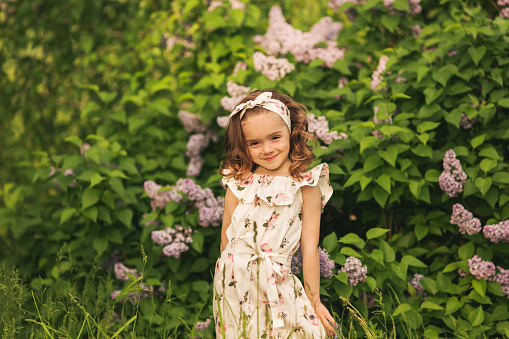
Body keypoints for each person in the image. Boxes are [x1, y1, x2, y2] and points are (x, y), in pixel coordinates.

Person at [213, 90, 338, 338]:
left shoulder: (305, 184)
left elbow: (309, 248)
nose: (267, 149)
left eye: (275, 137)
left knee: (292, 331)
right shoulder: (238, 182)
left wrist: (316, 302)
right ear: (243, 145)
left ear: (291, 133)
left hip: (276, 278)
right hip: (233, 280)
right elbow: (225, 241)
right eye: (254, 143)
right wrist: (229, 280)